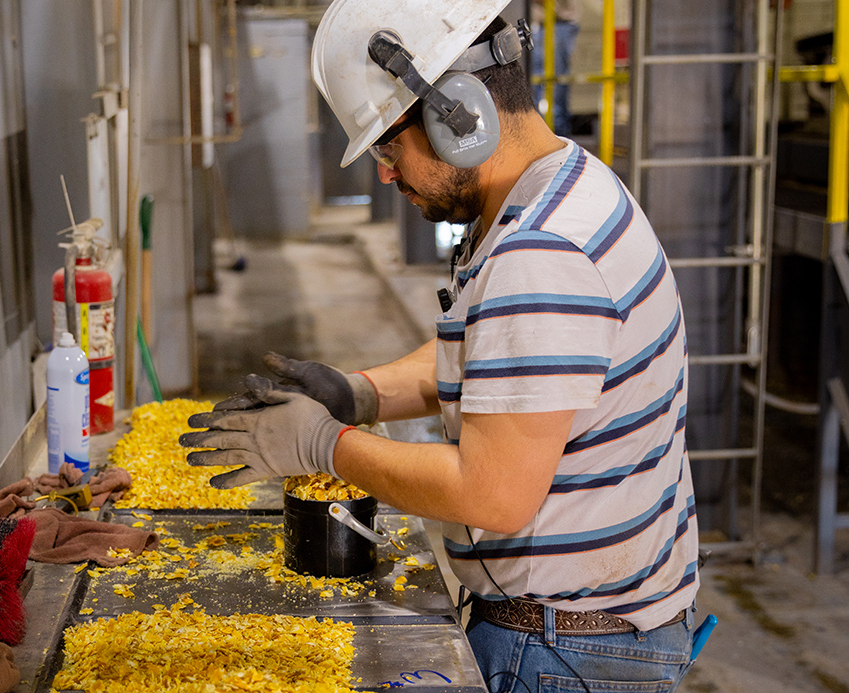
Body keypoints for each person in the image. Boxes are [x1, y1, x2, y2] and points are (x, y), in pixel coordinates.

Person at [180, 1, 700, 691]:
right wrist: (361, 391)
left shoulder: (540, 251)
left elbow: (491, 493)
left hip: (567, 654)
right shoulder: (564, 186)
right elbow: (506, 368)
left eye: (388, 148)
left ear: (455, 113)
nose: (385, 175)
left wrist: (323, 445)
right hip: (594, 630)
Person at [531, 0, 580, 137]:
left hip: (559, 23)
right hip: (537, 24)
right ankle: (539, 133)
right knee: (535, 83)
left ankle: (557, 135)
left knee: (556, 83)